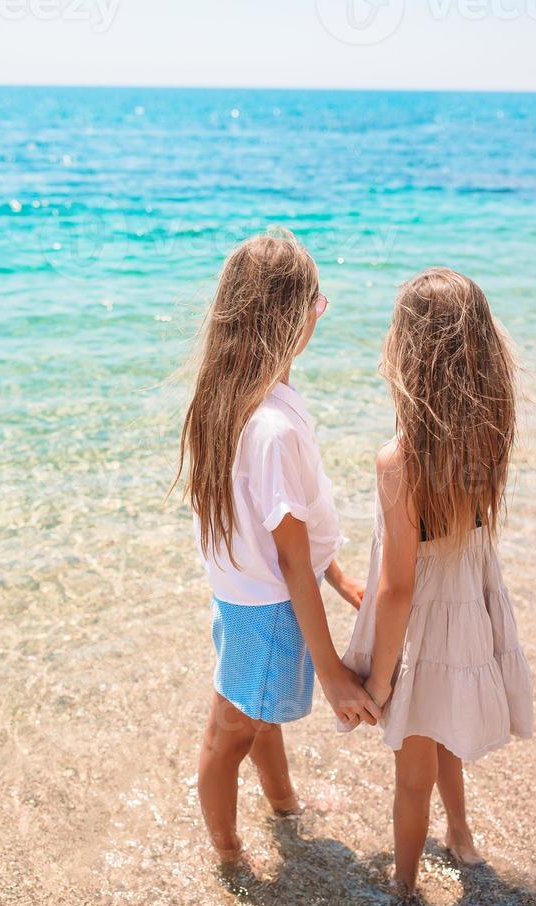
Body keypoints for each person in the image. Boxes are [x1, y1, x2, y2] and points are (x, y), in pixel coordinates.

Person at [173, 231, 381, 865]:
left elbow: (290, 531)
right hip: (267, 611)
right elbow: (290, 556)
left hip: (245, 600)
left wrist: (342, 581)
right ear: (293, 317)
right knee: (231, 731)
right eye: (319, 302)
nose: (323, 312)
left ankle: (284, 803)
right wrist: (333, 672)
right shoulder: (271, 427)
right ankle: (229, 856)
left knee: (254, 717)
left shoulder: (235, 403)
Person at [341, 267, 534, 898]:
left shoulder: (400, 461)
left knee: (411, 773)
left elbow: (399, 587)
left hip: (422, 630)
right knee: (444, 728)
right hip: (468, 613)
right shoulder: (487, 434)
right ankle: (461, 838)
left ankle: (402, 887)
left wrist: (377, 676)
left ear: (406, 352)